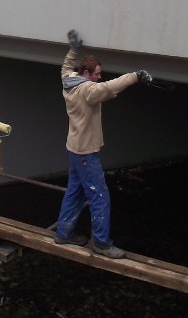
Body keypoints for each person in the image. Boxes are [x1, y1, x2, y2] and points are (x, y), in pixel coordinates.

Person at [54, 29, 152, 259]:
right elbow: (109, 87)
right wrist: (136, 76)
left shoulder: (69, 80)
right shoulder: (88, 90)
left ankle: (63, 233)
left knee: (75, 193)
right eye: (97, 74)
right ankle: (101, 243)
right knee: (100, 196)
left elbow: (65, 67)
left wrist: (73, 50)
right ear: (86, 73)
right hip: (87, 153)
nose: (100, 77)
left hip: (73, 149)